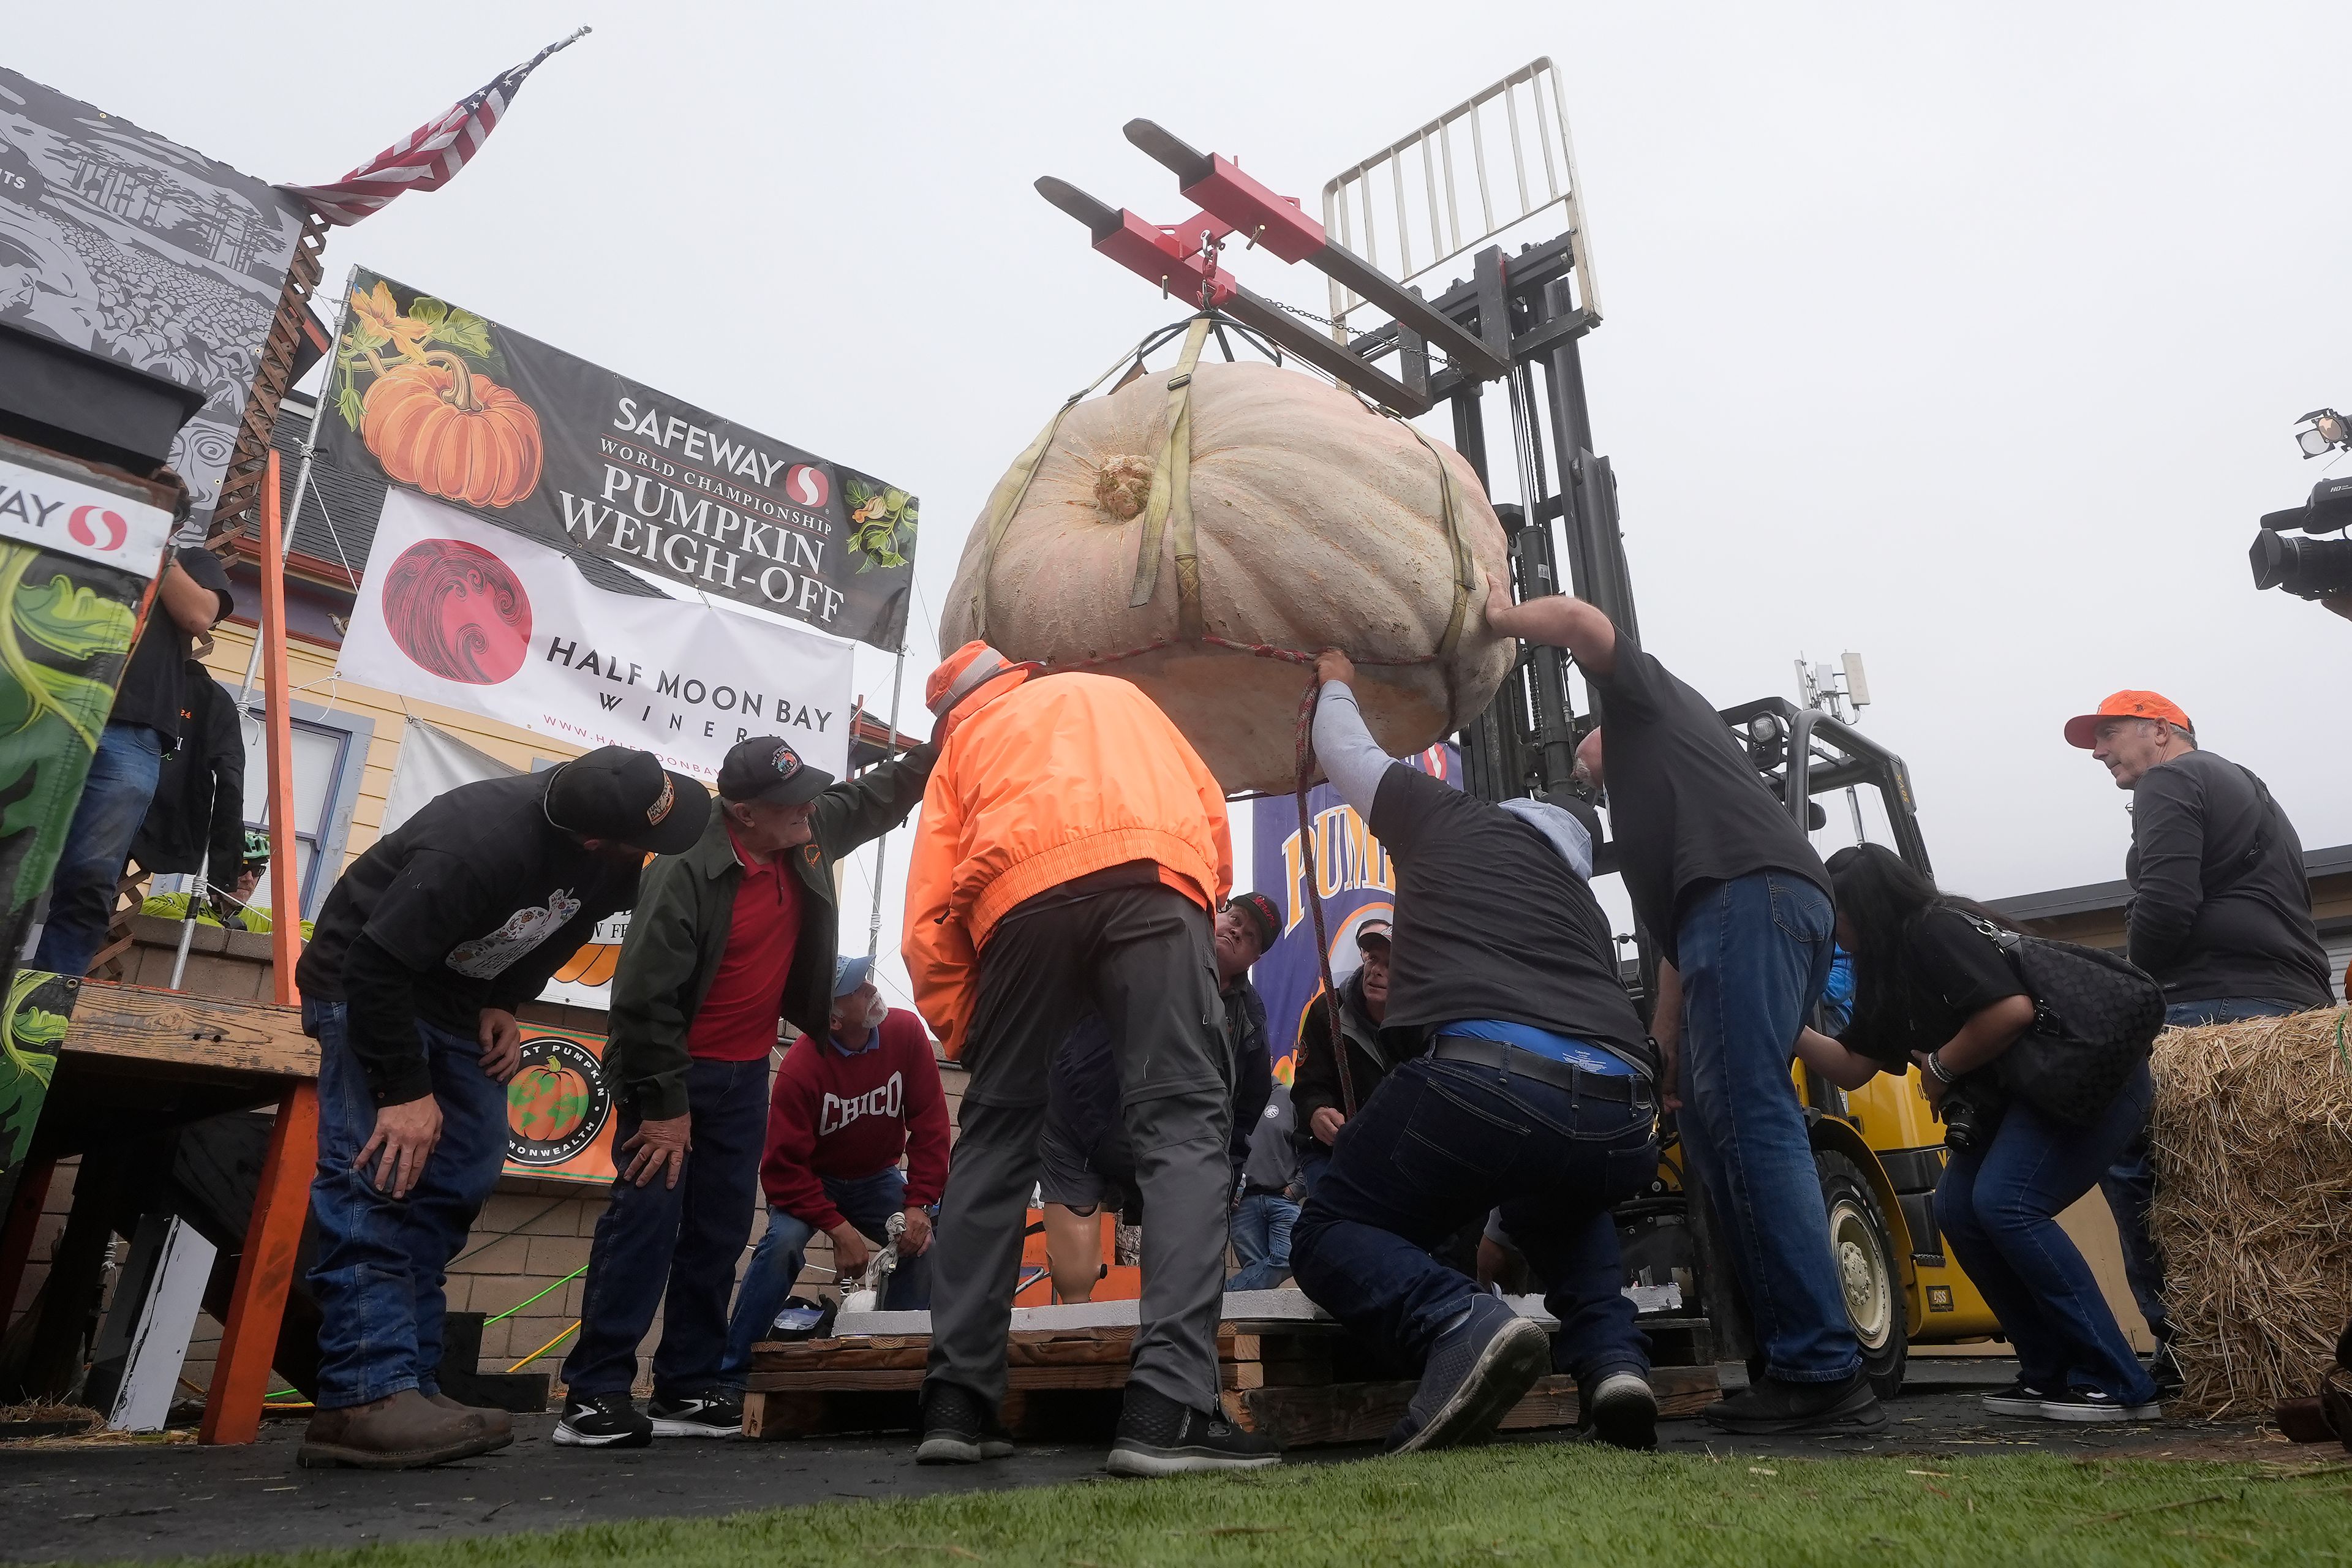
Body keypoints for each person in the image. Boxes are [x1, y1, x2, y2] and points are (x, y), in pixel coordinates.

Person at [1485, 582, 1883, 1436]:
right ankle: (1791, 1355)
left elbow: (1582, 623)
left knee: (1750, 1115)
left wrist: (1493, 620)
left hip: (1751, 900)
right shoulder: (1652, 799)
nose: (1575, 759)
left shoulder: (1643, 705)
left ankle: (1820, 1364)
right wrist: (1661, 1048)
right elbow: (1672, 938)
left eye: (1576, 749)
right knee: (1713, 1124)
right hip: (1726, 913)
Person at [903, 640, 1279, 1477]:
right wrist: (1196, 907)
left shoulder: (964, 746)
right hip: (1155, 880)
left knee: (998, 1137)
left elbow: (930, 912)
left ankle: (957, 1404)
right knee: (1183, 1127)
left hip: (1016, 904)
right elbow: (1209, 809)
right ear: (1015, 674)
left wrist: (966, 1027)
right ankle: (1168, 1406)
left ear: (953, 712)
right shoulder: (1112, 697)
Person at [1287, 649, 1665, 1453]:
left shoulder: (1452, 818)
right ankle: (1614, 1363)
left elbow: (1345, 752)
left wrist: (1336, 682)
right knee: (1563, 1196)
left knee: (1331, 1228)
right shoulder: (1582, 910)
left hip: (1485, 1083)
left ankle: (1456, 1318)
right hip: (1619, 1117)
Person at [296, 746, 708, 1469]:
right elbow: (374, 963)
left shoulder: (610, 860)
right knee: (380, 1176)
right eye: (644, 843)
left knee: (458, 1176)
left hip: (454, 1004)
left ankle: (411, 1386)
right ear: (593, 838)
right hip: (369, 989)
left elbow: (561, 928)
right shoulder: (482, 841)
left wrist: (501, 999)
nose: (650, 856)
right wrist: (401, 1090)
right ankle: (362, 1397)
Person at [557, 734, 935, 1447]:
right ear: (743, 813)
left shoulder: (803, 829)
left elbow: (877, 796)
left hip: (740, 1073)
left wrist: (941, 745)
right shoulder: (684, 867)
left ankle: (686, 1387)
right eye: (790, 802)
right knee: (645, 1224)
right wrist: (666, 1110)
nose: (808, 809)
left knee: (720, 1231)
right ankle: (595, 1392)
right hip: (667, 1070)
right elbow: (642, 999)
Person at [1793, 843, 2163, 1421]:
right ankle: (2051, 1372)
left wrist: (1940, 1068)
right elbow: (1850, 1064)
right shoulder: (1884, 967)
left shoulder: (1934, 928)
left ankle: (2117, 1379)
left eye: (1832, 911)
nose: (1828, 926)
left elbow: (2009, 1011)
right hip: (2024, 1096)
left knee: (2006, 1204)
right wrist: (1780, 1019)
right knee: (1959, 1210)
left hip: (2088, 1082)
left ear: (1862, 905)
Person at [2066, 688, 2332, 1378]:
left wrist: (2128, 991)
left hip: (2209, 1007)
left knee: (2130, 1155)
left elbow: (2165, 904)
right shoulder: (2249, 786)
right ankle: (2302, 1344)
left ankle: (2192, 1348)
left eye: (2109, 732)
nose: (2097, 750)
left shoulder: (2173, 779)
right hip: (2293, 1006)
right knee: (2280, 1184)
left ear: (2160, 730)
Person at [716, 956, 949, 1383]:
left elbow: (932, 1127)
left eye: (867, 980)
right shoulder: (801, 1069)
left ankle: (894, 1367)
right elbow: (783, 1172)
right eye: (857, 989)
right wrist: (839, 1230)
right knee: (784, 1243)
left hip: (876, 1175)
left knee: (921, 1241)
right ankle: (734, 1376)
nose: (871, 989)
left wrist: (919, 1202)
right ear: (834, 1019)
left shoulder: (906, 1033)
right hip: (811, 1182)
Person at [1038, 892, 1278, 1302]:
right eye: (1233, 917)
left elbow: (1247, 1106)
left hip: (1170, 1142)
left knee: (1177, 1271)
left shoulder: (1250, 1020)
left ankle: (1167, 1349)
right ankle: (1071, 1344)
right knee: (1075, 1272)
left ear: (1255, 958)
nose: (1236, 929)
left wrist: (1227, 1171)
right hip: (1078, 1118)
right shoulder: (1149, 944)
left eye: (1251, 935)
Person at [36, 548, 233, 976]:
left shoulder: (190, 560)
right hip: (43, 711)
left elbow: (200, 615)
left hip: (130, 729)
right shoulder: (73, 530)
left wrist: (153, 538)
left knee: (89, 880)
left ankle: (40, 1009)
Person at [127, 658, 245, 911]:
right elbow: (231, 786)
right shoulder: (214, 701)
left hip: (109, 814)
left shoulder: (132, 678)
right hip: (170, 830)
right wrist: (222, 874)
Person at [1289, 920, 1393, 1198]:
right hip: (1328, 1153)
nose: (1376, 971)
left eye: (1390, 964)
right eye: (1373, 958)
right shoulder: (1327, 1011)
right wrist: (1317, 1111)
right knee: (1335, 1225)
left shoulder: (1421, 1027)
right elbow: (1307, 1086)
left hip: (1395, 1161)